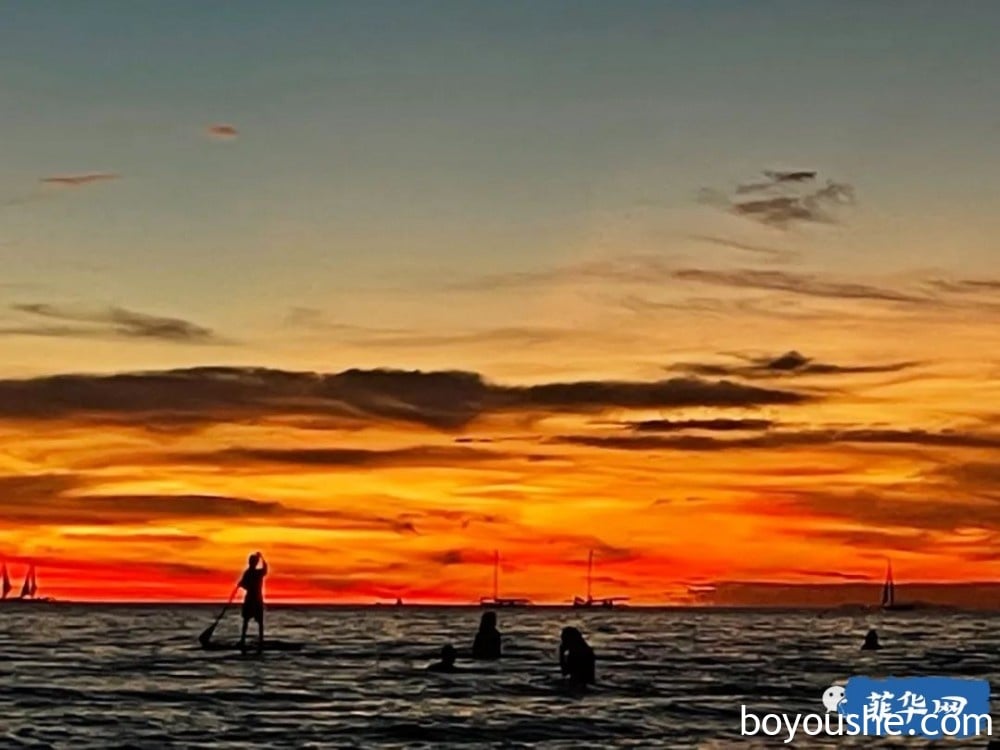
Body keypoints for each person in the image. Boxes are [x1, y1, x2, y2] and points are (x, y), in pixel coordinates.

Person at [238, 551, 268, 653]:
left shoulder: (256, 573)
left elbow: (265, 569)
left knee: (258, 623)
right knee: (247, 621)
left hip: (255, 600)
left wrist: (262, 558)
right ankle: (244, 640)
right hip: (252, 599)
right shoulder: (250, 573)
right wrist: (242, 584)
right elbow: (244, 584)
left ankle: (259, 641)